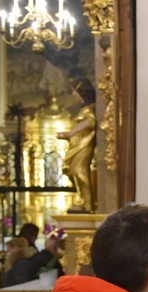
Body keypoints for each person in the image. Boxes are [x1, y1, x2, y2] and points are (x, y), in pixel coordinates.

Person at [57, 77, 97, 213]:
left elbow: (91, 122)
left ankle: (86, 203)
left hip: (84, 145)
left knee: (79, 171)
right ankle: (82, 199)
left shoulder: (89, 109)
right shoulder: (84, 108)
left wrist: (70, 133)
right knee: (68, 168)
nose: (73, 94)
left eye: (74, 90)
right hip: (77, 144)